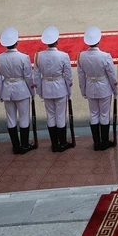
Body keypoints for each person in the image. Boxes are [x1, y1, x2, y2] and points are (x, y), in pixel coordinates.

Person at [0, 28, 36, 155]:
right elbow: (28, 77)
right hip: (21, 89)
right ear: (16, 42)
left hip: (7, 89)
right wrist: (32, 92)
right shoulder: (23, 57)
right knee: (24, 118)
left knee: (10, 118)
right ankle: (24, 144)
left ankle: (16, 145)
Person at [34, 25, 74, 153]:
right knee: (60, 115)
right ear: (57, 41)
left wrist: (40, 91)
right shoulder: (63, 56)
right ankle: (62, 143)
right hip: (60, 87)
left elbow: (36, 76)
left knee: (50, 116)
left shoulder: (38, 56)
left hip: (46, 87)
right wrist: (69, 90)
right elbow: (68, 76)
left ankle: (54, 143)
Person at [77, 27, 118, 151]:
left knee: (94, 114)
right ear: (98, 41)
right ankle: (104, 141)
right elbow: (112, 75)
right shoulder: (105, 56)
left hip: (90, 86)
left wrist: (83, 90)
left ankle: (97, 142)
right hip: (104, 87)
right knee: (104, 114)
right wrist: (115, 90)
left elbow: (81, 75)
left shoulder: (81, 56)